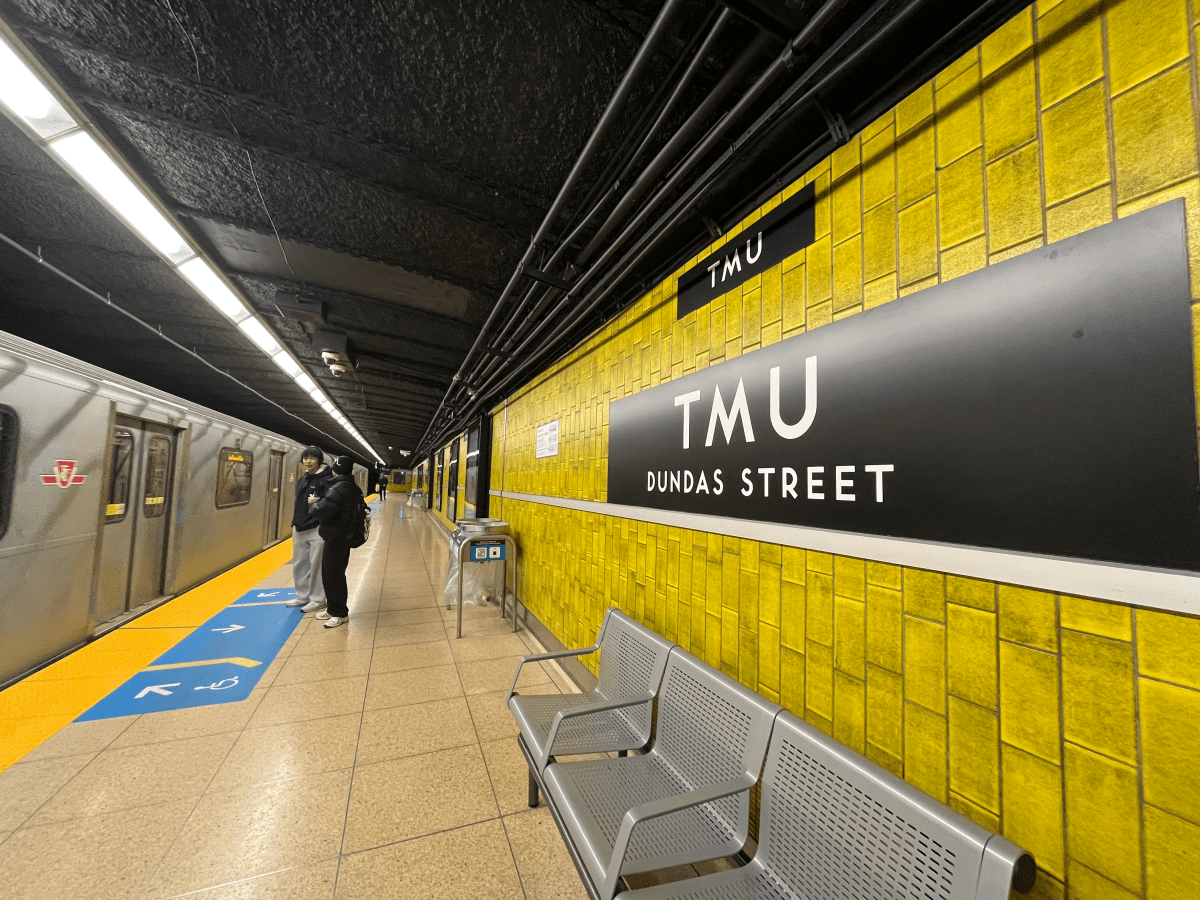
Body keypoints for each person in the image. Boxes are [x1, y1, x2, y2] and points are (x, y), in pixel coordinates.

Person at [310, 455, 366, 628]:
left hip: (337, 537)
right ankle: (333, 608)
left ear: (334, 470)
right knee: (332, 574)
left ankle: (339, 613)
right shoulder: (351, 487)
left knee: (333, 575)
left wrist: (314, 503)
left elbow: (322, 511)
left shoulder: (338, 488)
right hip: (342, 536)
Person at [285, 447, 332, 613]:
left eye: (312, 458)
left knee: (316, 564)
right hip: (300, 526)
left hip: (317, 527)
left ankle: (318, 599)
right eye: (305, 458)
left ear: (319, 460)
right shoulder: (303, 478)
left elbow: (329, 504)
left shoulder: (327, 479)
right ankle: (303, 595)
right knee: (300, 563)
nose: (308, 461)